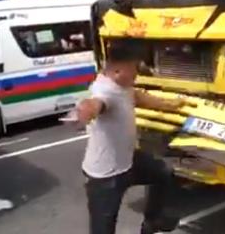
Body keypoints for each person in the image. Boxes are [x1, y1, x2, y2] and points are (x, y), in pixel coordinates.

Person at [75, 42, 188, 234]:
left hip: (129, 162)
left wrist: (172, 105)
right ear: (118, 70)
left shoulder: (123, 86)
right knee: (103, 230)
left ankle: (152, 223)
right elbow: (96, 104)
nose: (138, 73)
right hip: (105, 178)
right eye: (135, 68)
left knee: (164, 173)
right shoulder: (105, 92)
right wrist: (85, 110)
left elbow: (138, 97)